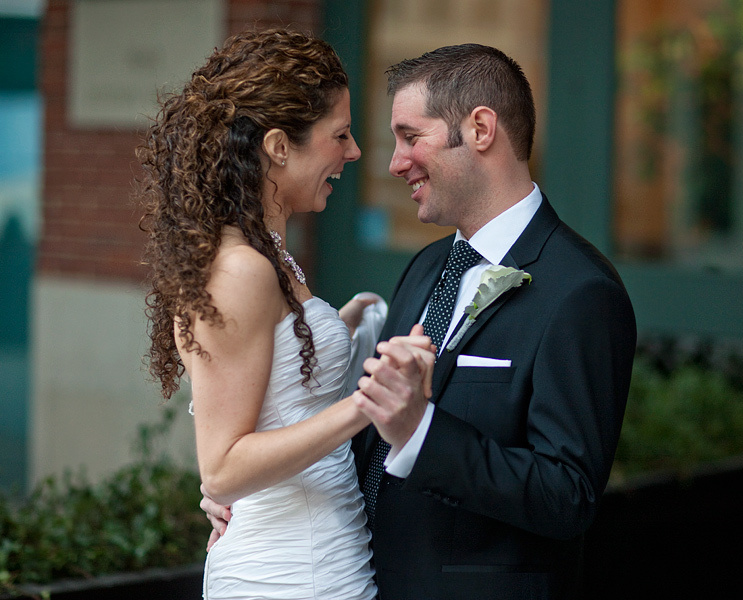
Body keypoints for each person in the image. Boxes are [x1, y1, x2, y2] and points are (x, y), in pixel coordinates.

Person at [204, 42, 636, 600]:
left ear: (481, 129)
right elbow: (365, 439)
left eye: (411, 137)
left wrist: (421, 434)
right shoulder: (428, 267)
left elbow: (567, 495)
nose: (393, 161)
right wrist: (257, 488)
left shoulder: (580, 292)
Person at [137, 28, 433, 600]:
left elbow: (270, 393)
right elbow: (222, 469)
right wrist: (368, 403)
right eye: (339, 135)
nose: (353, 152)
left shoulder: (264, 253)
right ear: (278, 146)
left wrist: (341, 328)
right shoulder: (240, 268)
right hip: (289, 573)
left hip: (321, 554)